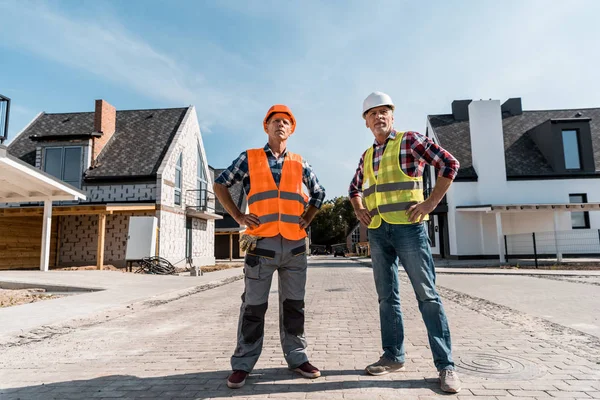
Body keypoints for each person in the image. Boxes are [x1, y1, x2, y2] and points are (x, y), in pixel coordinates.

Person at [348, 92, 462, 393]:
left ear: (392, 116)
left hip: (409, 230)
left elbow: (450, 164)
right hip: (377, 231)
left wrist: (430, 204)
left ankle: (446, 366)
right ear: (366, 122)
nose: (378, 117)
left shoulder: (410, 141)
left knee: (427, 296)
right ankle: (393, 356)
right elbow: (353, 188)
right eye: (372, 114)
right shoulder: (367, 156)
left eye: (383, 112)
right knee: (387, 298)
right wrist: (359, 207)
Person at [214, 104, 326, 389]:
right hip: (260, 246)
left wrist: (307, 218)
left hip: (295, 247)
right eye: (275, 121)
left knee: (294, 306)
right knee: (253, 306)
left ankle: (298, 358)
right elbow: (220, 183)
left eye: (286, 122)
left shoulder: (300, 162)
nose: (280, 125)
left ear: (291, 129)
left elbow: (319, 193)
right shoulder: (249, 158)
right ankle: (242, 364)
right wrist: (238, 216)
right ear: (266, 126)